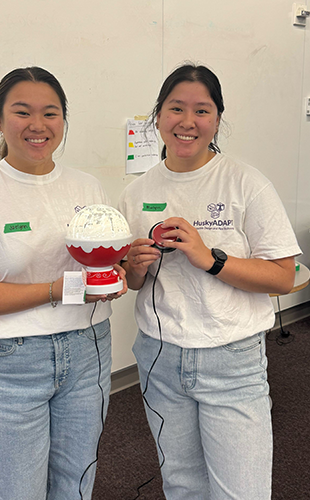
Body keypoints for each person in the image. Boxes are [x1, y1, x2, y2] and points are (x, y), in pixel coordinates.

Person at [0, 67, 126, 500]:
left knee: (77, 481)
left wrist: (118, 275)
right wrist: (56, 290)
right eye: (22, 112)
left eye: (50, 113)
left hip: (89, 346)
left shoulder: (87, 186)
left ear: (63, 121)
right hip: (14, 359)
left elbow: (109, 264)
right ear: (0, 120)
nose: (38, 126)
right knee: (16, 489)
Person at [118, 63, 301, 499]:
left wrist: (210, 259)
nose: (187, 121)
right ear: (157, 116)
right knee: (182, 485)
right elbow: (133, 283)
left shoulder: (246, 183)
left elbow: (283, 275)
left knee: (243, 491)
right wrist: (136, 267)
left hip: (231, 359)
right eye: (176, 108)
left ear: (218, 118)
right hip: (160, 357)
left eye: (202, 110)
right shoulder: (136, 193)